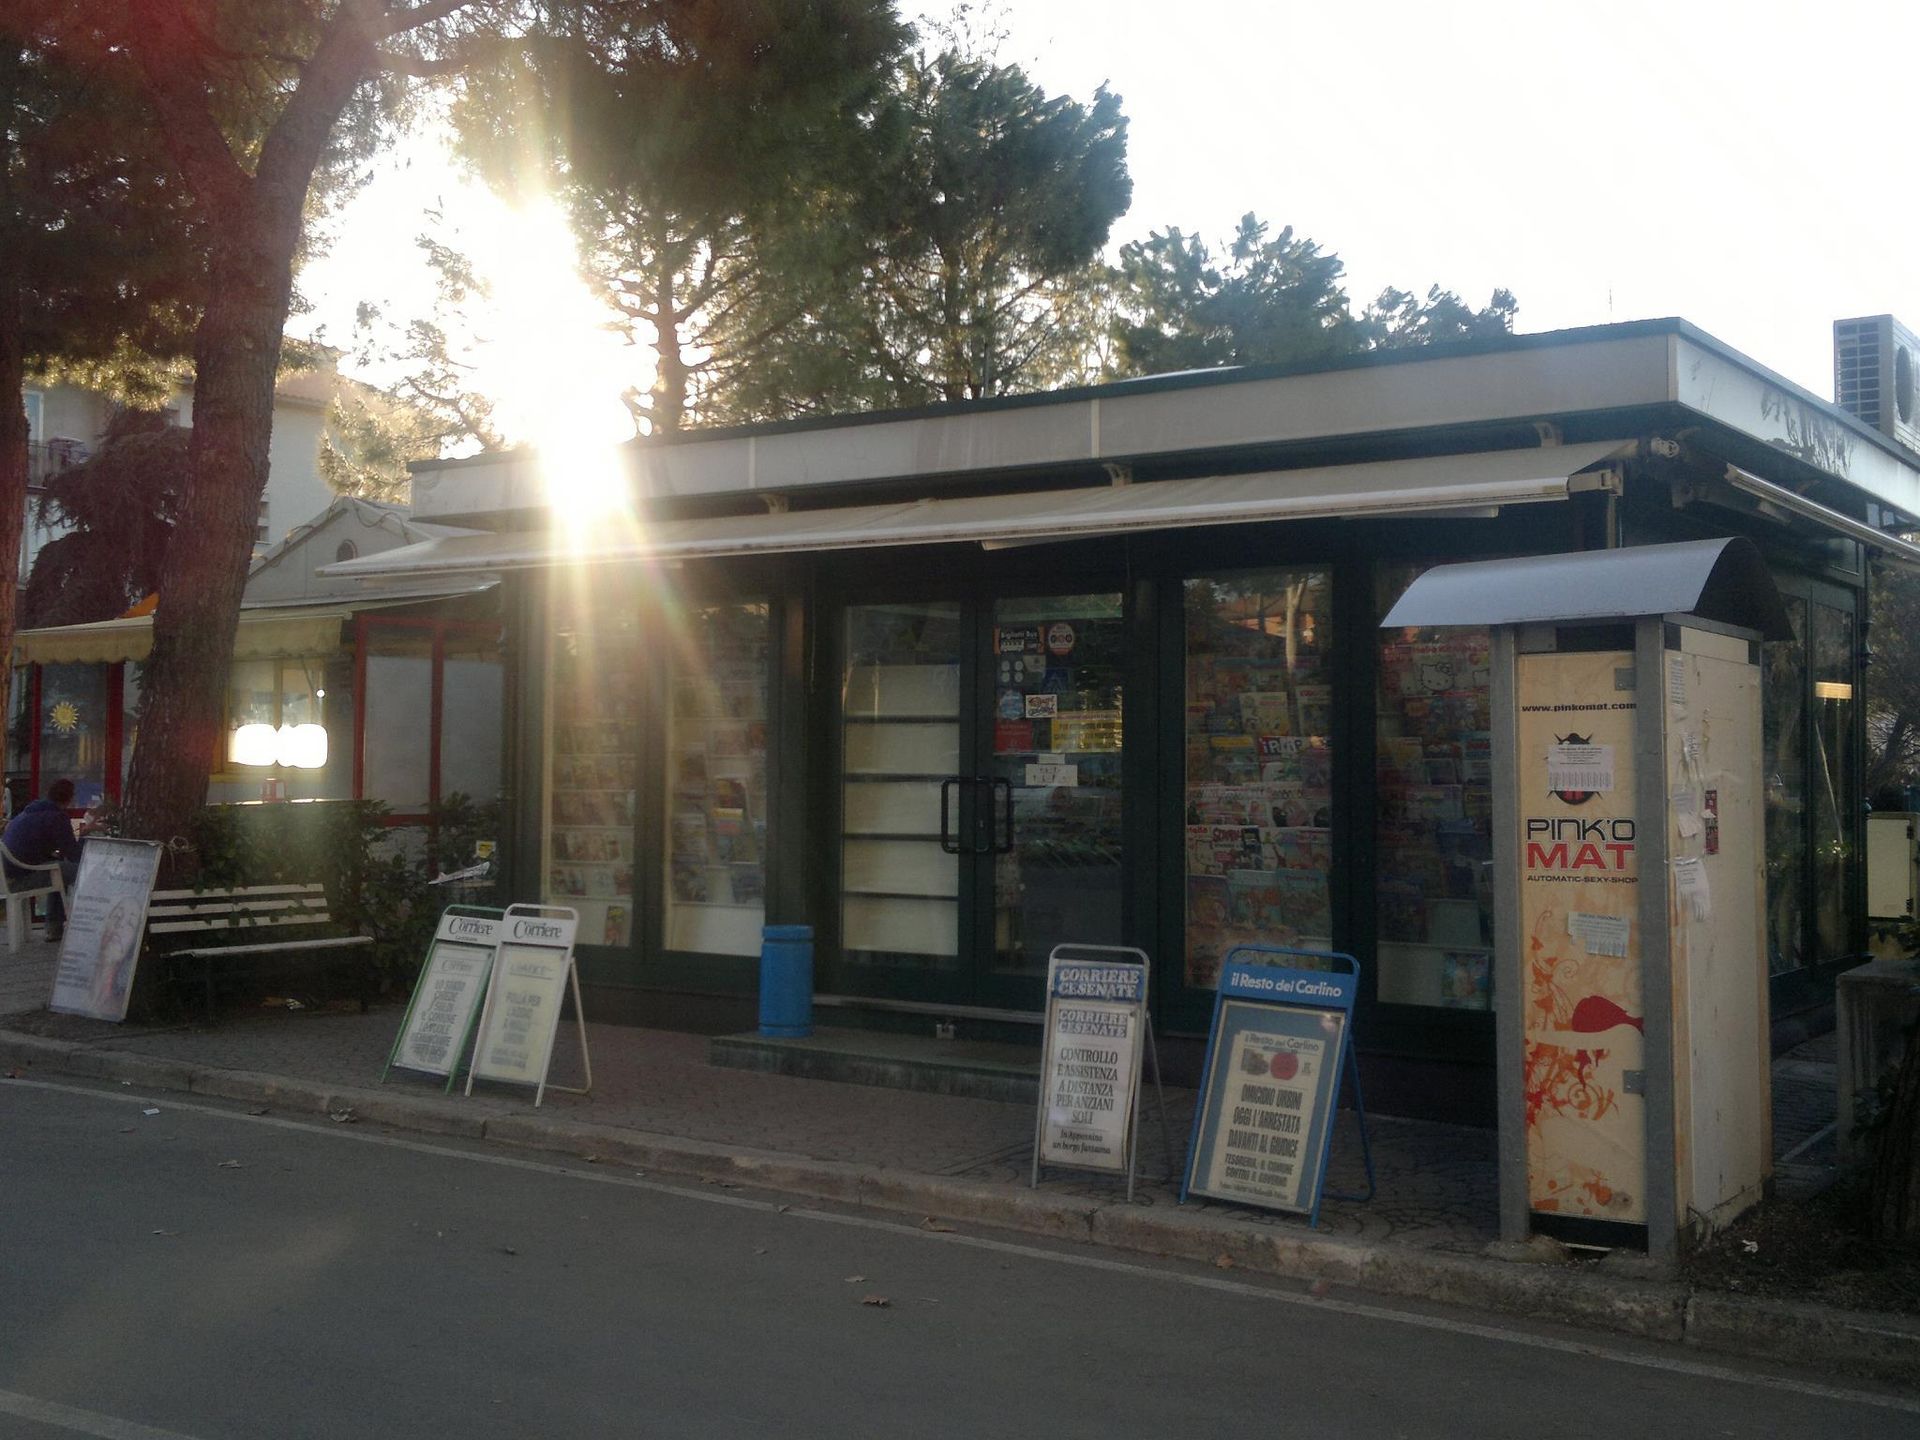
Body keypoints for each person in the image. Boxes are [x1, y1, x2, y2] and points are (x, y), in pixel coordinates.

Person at [4, 778, 83, 940]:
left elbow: (31, 846)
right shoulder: (56, 817)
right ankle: (83, 923)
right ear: (69, 798)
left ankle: (54, 927)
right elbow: (74, 854)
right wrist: (85, 833)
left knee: (58, 870)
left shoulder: (28, 813)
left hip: (7, 876)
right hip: (21, 878)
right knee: (79, 871)